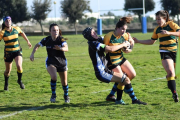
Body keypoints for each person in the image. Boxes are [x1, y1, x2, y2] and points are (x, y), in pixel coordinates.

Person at [82, 27, 147, 105]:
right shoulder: (94, 44)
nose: (95, 33)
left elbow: (112, 38)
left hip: (105, 69)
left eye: (94, 31)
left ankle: (112, 96)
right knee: (125, 79)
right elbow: (109, 49)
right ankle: (134, 100)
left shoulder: (97, 40)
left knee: (123, 78)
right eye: (92, 32)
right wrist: (123, 44)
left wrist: (127, 36)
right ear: (89, 36)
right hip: (102, 73)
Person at [133, 10, 180, 102]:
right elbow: (151, 41)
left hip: (176, 52)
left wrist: (169, 33)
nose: (158, 21)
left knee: (175, 75)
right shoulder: (157, 29)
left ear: (164, 18)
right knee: (170, 72)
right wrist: (138, 41)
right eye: (156, 19)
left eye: (159, 19)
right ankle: (174, 93)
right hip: (164, 52)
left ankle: (170, 82)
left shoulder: (171, 25)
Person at [30, 23, 70, 103]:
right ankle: (53, 95)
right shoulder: (46, 40)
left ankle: (66, 96)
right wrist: (32, 53)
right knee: (54, 77)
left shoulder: (61, 39)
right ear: (50, 31)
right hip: (51, 61)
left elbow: (66, 48)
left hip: (61, 62)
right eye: (54, 30)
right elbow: (37, 45)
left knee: (64, 82)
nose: (56, 32)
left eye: (57, 30)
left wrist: (60, 49)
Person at [104, 17, 136, 104]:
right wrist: (121, 45)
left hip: (121, 58)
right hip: (112, 61)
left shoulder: (125, 35)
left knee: (132, 75)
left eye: (125, 29)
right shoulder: (108, 36)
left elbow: (130, 45)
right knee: (122, 79)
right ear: (117, 28)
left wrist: (128, 48)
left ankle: (111, 95)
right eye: (122, 29)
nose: (124, 31)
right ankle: (121, 99)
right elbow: (106, 50)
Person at [0, 16, 32, 91]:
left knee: (19, 66)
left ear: (11, 21)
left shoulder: (16, 28)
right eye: (6, 21)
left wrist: (28, 41)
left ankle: (19, 81)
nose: (8, 22)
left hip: (17, 51)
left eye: (9, 20)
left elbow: (22, 33)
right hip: (8, 53)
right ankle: (6, 84)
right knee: (8, 71)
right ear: (4, 23)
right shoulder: (2, 32)